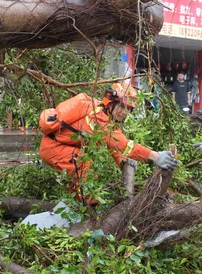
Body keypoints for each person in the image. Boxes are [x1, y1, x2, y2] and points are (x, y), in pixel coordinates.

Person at [39, 83, 178, 204]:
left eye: (128, 109)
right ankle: (90, 209)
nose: (124, 112)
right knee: (84, 166)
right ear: (111, 103)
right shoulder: (99, 118)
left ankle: (77, 205)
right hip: (53, 148)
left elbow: (111, 144)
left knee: (82, 167)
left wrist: (122, 161)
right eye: (121, 106)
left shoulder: (106, 117)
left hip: (62, 146)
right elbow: (123, 145)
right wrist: (156, 156)